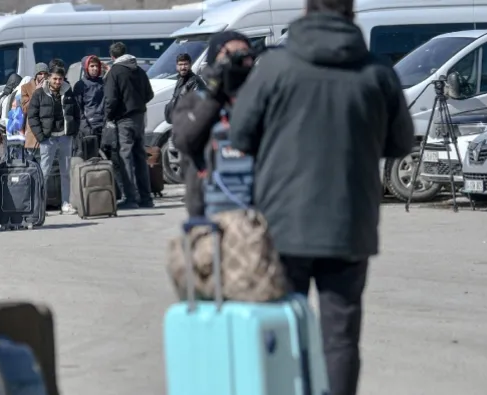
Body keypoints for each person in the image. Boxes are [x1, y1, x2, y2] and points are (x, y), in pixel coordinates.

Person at [227, 0, 414, 394]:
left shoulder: (275, 68)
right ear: (351, 13)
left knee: (279, 330)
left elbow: (240, 136)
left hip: (282, 224)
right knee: (340, 337)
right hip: (349, 224)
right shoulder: (377, 71)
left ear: (307, 11)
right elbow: (400, 142)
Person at [170, 31, 255, 217]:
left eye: (244, 55)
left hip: (256, 213)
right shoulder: (196, 100)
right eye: (230, 55)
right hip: (207, 211)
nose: (238, 62)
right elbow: (184, 140)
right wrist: (214, 97)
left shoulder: (260, 98)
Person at [104, 41, 156, 209]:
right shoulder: (139, 70)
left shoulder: (115, 72)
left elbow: (111, 99)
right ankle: (146, 198)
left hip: (123, 119)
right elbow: (149, 94)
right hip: (140, 117)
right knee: (140, 157)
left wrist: (109, 116)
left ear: (112, 56)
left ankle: (130, 198)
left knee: (125, 157)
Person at [27, 66, 80, 215]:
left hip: (65, 136)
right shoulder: (39, 93)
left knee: (66, 172)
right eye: (55, 78)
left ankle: (66, 203)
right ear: (49, 77)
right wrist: (41, 136)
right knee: (44, 172)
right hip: (48, 139)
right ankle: (40, 205)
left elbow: (76, 112)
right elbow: (32, 116)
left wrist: (73, 130)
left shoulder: (68, 91)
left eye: (60, 79)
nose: (57, 82)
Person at [73, 55, 108, 156]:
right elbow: (78, 109)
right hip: (89, 128)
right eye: (92, 66)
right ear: (86, 67)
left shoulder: (103, 83)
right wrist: (86, 128)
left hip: (104, 127)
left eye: (97, 66)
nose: (95, 69)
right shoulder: (80, 85)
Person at [164, 53, 206, 125]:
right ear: (177, 66)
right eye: (180, 64)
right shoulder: (180, 80)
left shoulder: (195, 82)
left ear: (190, 65)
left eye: (185, 64)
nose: (183, 67)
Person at [19, 63, 49, 151]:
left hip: (47, 129)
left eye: (45, 74)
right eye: (40, 73)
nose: (43, 76)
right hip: (32, 131)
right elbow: (25, 109)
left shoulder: (50, 87)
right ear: (35, 75)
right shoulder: (26, 87)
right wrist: (36, 92)